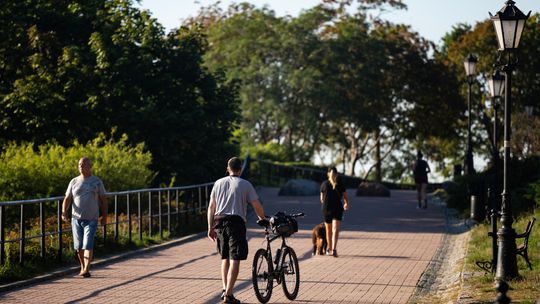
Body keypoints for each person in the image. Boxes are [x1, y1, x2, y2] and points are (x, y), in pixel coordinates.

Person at [207, 157, 266, 304]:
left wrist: (210, 227)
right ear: (240, 169)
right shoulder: (245, 184)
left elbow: (211, 207)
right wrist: (262, 218)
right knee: (235, 259)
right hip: (236, 223)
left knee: (225, 257)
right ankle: (229, 294)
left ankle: (225, 289)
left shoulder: (218, 183)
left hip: (219, 222)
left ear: (228, 169)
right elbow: (256, 204)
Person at [62, 157, 107, 278]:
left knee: (87, 244)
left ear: (89, 166)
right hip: (76, 218)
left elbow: (103, 200)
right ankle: (82, 266)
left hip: (92, 218)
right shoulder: (74, 181)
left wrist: (104, 216)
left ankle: (86, 268)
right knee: (78, 246)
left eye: (83, 164)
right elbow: (67, 198)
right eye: (79, 164)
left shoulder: (97, 181)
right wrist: (63, 212)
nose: (81, 166)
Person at [320, 166, 349, 257]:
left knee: (331, 230)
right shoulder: (334, 184)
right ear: (336, 174)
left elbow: (321, 199)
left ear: (328, 174)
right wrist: (346, 204)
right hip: (333, 209)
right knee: (333, 230)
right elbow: (345, 197)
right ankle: (332, 249)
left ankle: (331, 249)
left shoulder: (327, 184)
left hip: (330, 209)